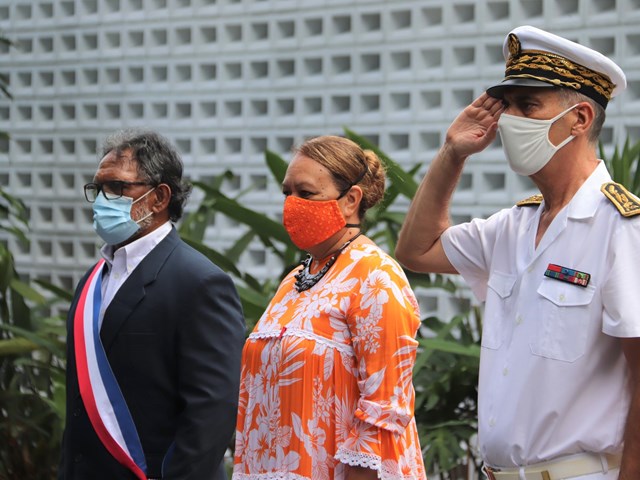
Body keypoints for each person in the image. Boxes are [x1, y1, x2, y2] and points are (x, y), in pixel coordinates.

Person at [395, 25, 640, 480]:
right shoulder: (512, 226)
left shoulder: (622, 228)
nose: (508, 120)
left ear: (580, 118)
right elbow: (416, 249)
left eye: (527, 106)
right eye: (506, 106)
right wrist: (452, 153)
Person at [232, 135, 427, 480]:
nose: (291, 204)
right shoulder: (294, 280)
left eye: (306, 193)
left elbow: (385, 408)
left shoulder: (375, 277)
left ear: (351, 200)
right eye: (287, 192)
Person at [59, 129, 246, 480]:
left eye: (118, 187)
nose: (103, 200)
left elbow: (212, 413)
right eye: (98, 189)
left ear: (159, 197)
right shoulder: (92, 280)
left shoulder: (201, 283)